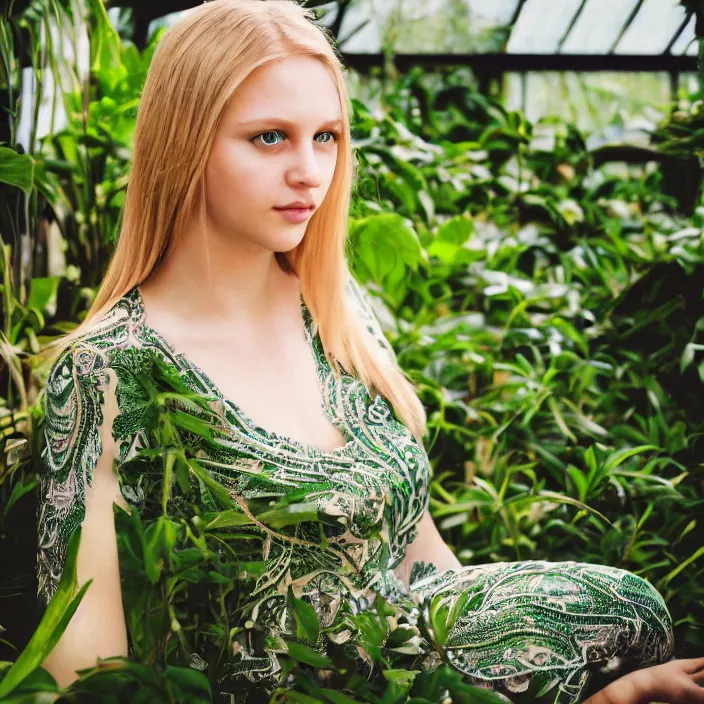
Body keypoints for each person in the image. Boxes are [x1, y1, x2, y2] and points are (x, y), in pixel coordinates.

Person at [34, 1, 702, 702]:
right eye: (268, 138)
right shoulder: (112, 369)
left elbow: (423, 568)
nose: (309, 171)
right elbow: (86, 677)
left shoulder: (334, 311)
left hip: (416, 673)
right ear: (185, 142)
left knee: (630, 616)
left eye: (326, 136)